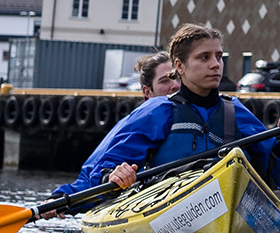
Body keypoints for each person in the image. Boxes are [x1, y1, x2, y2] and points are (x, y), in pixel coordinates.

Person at [51, 23, 280, 198]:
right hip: (164, 201)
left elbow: (273, 179)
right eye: (204, 57)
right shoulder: (157, 111)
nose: (215, 65)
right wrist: (114, 174)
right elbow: (108, 166)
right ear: (179, 65)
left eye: (218, 56)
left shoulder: (236, 112)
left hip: (228, 200)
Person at [51, 51, 184, 197]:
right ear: (147, 91)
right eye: (165, 80)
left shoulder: (203, 110)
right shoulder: (133, 124)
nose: (175, 86)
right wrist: (61, 197)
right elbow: (90, 176)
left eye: (178, 78)